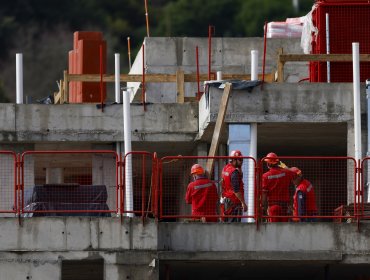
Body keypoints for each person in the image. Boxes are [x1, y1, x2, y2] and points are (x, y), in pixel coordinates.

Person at [262, 152, 296, 222]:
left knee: (273, 228)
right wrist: (283, 166)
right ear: (277, 162)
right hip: (284, 206)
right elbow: (294, 173)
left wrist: (263, 207)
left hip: (273, 206)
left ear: (269, 164)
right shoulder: (286, 172)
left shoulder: (265, 176)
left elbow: (264, 194)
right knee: (284, 228)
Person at [220, 150, 247, 222]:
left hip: (227, 199)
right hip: (234, 201)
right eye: (240, 160)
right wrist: (243, 202)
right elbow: (236, 189)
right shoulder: (234, 172)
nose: (241, 162)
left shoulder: (226, 168)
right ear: (234, 160)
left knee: (227, 223)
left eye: (242, 159)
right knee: (235, 226)